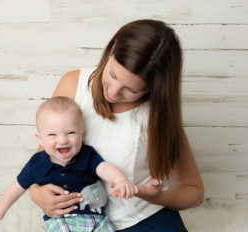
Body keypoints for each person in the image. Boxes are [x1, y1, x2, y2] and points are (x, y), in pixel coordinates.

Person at [29, 19, 204, 231]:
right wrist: (35, 191)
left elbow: (193, 191)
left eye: (131, 90)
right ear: (112, 48)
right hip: (81, 220)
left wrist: (158, 197)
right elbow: (42, 157)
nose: (113, 92)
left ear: (153, 88)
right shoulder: (73, 84)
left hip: (144, 218)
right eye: (112, 75)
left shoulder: (158, 116)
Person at [0, 96, 138, 231]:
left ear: (83, 134)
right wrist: (0, 209)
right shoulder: (37, 164)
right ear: (40, 139)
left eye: (71, 133)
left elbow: (104, 168)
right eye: (52, 134)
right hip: (60, 221)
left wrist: (120, 180)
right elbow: (17, 186)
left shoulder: (87, 154)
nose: (63, 140)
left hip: (96, 220)